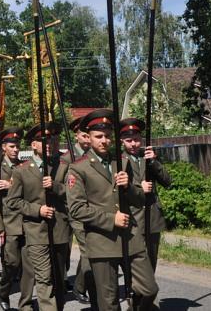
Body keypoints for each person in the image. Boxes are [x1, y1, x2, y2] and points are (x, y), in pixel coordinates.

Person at [66, 109, 159, 311]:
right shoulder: (78, 168)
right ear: (89, 138)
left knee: (149, 289)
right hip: (102, 242)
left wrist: (129, 187)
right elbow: (77, 209)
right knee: (109, 302)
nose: (104, 141)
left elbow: (140, 199)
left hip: (130, 237)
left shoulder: (122, 161)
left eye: (107, 136)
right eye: (98, 136)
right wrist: (110, 219)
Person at [5, 122, 71, 311]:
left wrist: (56, 187)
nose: (48, 143)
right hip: (36, 232)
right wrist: (37, 210)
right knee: (44, 279)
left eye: (51, 138)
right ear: (33, 145)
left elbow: (74, 193)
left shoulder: (64, 166)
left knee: (59, 280)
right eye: (43, 140)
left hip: (59, 230)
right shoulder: (22, 170)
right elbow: (13, 202)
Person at [0, 127, 35, 311]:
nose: (16, 149)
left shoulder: (25, 166)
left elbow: (32, 190)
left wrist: (11, 185)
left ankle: (26, 304)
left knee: (29, 267)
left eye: (17, 146)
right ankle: (3, 291)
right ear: (4, 147)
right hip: (8, 223)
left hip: (27, 221)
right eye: (12, 146)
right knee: (11, 264)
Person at [120, 118, 172, 272]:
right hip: (133, 218)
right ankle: (136, 292)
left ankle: (147, 294)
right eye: (129, 140)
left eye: (136, 140)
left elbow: (167, 181)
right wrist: (138, 186)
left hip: (152, 217)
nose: (134, 144)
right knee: (134, 262)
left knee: (151, 260)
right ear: (122, 141)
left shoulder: (148, 157)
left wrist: (154, 162)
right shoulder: (118, 159)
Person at [57, 116, 96, 307]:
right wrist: (73, 191)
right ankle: (62, 280)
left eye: (89, 135)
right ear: (76, 136)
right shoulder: (65, 159)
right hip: (67, 212)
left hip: (88, 212)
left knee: (88, 251)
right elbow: (57, 186)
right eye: (84, 135)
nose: (87, 139)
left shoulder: (94, 156)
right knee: (62, 251)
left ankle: (80, 286)